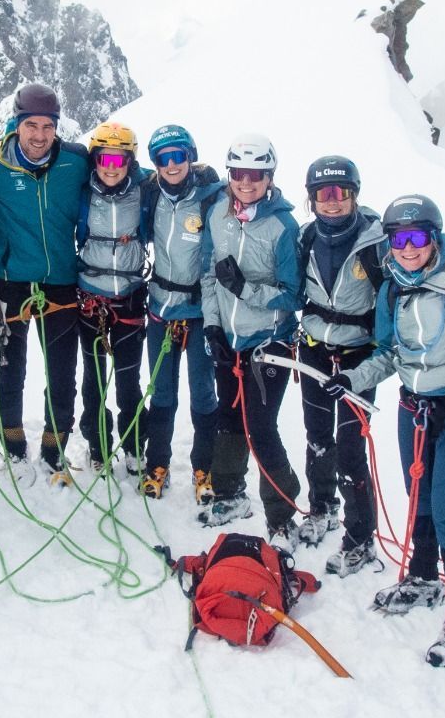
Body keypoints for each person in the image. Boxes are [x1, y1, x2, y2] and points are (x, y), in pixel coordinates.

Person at [324, 195, 445, 670]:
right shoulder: (392, 290)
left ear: (434, 238)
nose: (408, 248)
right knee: (419, 499)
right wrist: (353, 378)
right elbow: (388, 353)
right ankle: (423, 577)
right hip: (414, 407)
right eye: (399, 239)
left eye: (417, 237)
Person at [0, 83, 91, 484]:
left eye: (47, 126)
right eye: (31, 125)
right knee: (9, 370)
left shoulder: (76, 161)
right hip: (9, 283)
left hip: (61, 283)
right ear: (16, 124)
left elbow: (122, 173)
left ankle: (54, 448)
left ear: (57, 127)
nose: (39, 135)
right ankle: (13, 445)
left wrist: (195, 176)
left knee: (62, 372)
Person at [198, 133, 305, 548]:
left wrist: (245, 290)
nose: (246, 182)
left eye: (256, 175)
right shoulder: (217, 215)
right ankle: (229, 494)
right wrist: (213, 326)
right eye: (238, 173)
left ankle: (282, 515)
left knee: (260, 427)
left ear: (269, 177)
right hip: (229, 338)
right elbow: (210, 275)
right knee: (228, 417)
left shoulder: (282, 226)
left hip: (269, 341)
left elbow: (293, 295)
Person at [294, 156, 387, 556]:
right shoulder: (305, 238)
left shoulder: (375, 242)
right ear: (312, 198)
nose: (332, 201)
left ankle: (361, 536)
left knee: (350, 449)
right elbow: (292, 289)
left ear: (354, 194)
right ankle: (322, 507)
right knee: (317, 437)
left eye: (340, 192)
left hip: (358, 357)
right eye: (323, 193)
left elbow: (393, 300)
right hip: (315, 349)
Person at [140, 125, 224, 502]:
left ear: (191, 156)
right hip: (160, 307)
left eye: (178, 156)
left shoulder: (211, 197)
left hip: (199, 312)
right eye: (163, 158)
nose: (171, 164)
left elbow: (247, 197)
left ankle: (204, 466)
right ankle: (157, 464)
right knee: (161, 392)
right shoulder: (150, 193)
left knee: (204, 393)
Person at [74, 121, 153, 483]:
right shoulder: (81, 192)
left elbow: (175, 182)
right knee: (94, 380)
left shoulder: (144, 189)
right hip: (90, 298)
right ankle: (98, 445)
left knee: (128, 380)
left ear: (130, 162)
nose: (111, 167)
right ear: (94, 159)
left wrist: (203, 176)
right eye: (104, 158)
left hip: (130, 299)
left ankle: (135, 445)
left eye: (119, 160)